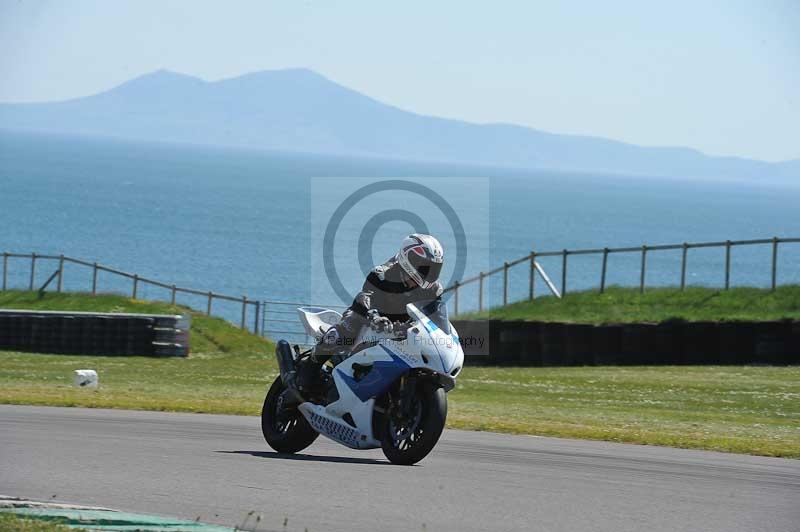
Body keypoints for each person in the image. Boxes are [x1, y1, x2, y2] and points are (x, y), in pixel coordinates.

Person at [292, 233, 445, 393]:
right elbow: (366, 297)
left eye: (433, 269)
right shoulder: (383, 274)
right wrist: (374, 316)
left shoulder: (433, 290)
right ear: (409, 260)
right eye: (424, 268)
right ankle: (306, 373)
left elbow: (437, 318)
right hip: (369, 320)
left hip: (403, 330)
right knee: (346, 329)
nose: (428, 274)